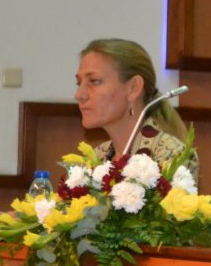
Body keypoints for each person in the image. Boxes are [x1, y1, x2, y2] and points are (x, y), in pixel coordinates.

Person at [75, 39, 199, 178]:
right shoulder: (95, 158)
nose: (79, 95)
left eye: (94, 81)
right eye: (78, 83)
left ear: (134, 88)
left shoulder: (171, 155)